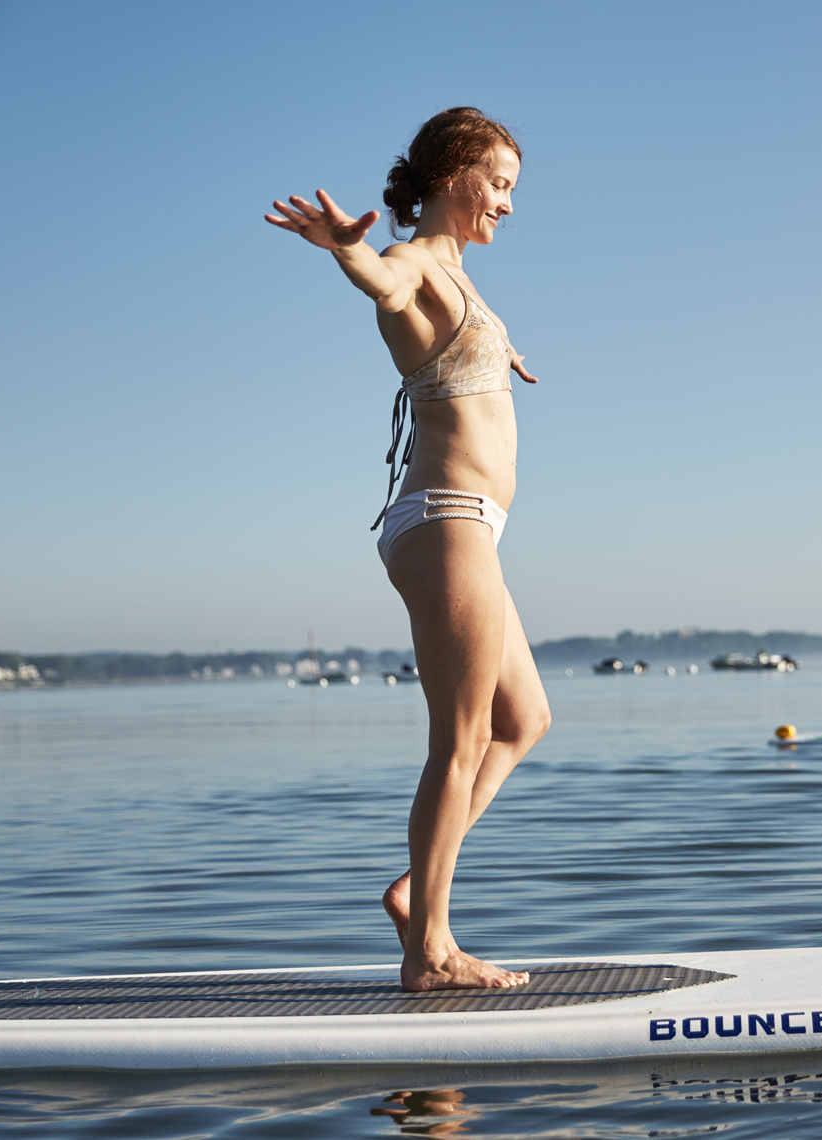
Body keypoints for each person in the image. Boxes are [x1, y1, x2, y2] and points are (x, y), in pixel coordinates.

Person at [265, 108, 550, 991]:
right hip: (445, 520)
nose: (506, 202)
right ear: (450, 173)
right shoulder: (417, 261)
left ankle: (416, 891)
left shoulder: (463, 279)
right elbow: (385, 284)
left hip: (469, 526)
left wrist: (504, 351)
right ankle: (430, 949)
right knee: (458, 742)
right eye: (497, 182)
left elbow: (452, 347)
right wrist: (347, 250)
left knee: (522, 722)